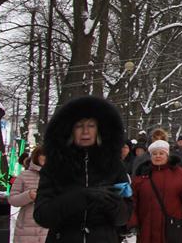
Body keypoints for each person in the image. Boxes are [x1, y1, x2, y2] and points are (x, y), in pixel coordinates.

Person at [33, 96, 133, 243]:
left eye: (91, 126)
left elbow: (123, 217)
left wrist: (111, 202)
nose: (85, 132)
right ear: (70, 130)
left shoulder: (114, 166)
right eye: (79, 126)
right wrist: (80, 197)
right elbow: (43, 216)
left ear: (99, 130)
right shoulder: (55, 166)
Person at [128, 140, 182, 243]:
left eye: (161, 153)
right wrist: (132, 222)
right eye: (154, 154)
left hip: (172, 228)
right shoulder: (141, 176)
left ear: (167, 155)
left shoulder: (181, 175)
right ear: (150, 156)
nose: (158, 156)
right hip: (146, 228)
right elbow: (131, 201)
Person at [9, 145, 48, 242]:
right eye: (43, 155)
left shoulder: (57, 177)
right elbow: (12, 199)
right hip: (26, 231)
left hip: (48, 229)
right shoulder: (24, 175)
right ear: (36, 156)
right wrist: (28, 195)